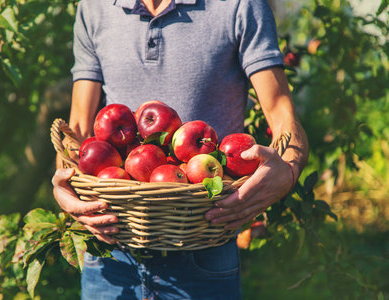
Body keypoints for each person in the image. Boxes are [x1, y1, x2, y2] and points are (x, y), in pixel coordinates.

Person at [52, 0, 309, 299]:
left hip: (204, 248)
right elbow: (79, 131)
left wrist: (289, 169)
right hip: (110, 252)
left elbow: (280, 109)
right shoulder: (94, 7)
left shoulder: (240, 5)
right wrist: (65, 188)